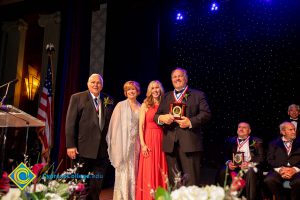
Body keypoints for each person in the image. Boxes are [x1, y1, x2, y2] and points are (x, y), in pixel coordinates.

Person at [154, 68, 211, 186]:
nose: (177, 78)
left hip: (190, 143)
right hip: (170, 144)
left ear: (186, 78)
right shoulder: (166, 96)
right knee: (175, 181)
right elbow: (156, 116)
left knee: (191, 181)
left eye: (180, 76)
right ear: (171, 80)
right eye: (174, 77)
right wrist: (162, 118)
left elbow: (206, 114)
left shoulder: (198, 95)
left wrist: (190, 121)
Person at [65, 73, 114, 200]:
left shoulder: (108, 99)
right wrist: (70, 145)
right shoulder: (77, 97)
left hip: (102, 152)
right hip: (82, 150)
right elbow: (70, 123)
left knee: (95, 187)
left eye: (98, 83)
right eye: (93, 82)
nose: (95, 85)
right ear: (88, 84)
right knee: (78, 186)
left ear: (102, 85)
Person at [106, 81, 141, 200]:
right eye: (129, 89)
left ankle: (132, 196)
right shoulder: (120, 105)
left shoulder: (141, 107)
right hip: (122, 143)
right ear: (126, 92)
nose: (131, 91)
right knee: (123, 171)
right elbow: (114, 128)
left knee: (134, 171)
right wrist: (117, 146)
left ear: (138, 91)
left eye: (133, 89)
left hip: (136, 145)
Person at [136, 80, 168, 200]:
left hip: (161, 140)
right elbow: (141, 126)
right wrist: (143, 145)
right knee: (149, 170)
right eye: (153, 88)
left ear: (160, 90)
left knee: (160, 169)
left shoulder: (165, 104)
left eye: (157, 88)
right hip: (148, 139)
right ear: (150, 90)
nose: (155, 90)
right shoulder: (145, 104)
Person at [216, 122, 264, 200]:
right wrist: (228, 162)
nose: (241, 129)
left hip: (249, 167)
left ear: (249, 131)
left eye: (244, 127)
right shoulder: (230, 140)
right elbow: (223, 154)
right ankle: (221, 197)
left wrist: (249, 164)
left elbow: (261, 157)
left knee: (250, 171)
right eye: (239, 127)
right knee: (223, 170)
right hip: (234, 167)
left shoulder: (257, 141)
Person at [264, 122, 300, 200]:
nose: (294, 132)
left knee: (298, 181)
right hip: (278, 170)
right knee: (269, 180)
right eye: (291, 130)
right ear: (283, 132)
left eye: (294, 129)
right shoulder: (273, 143)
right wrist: (281, 169)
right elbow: (269, 160)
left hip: (297, 171)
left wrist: (294, 169)